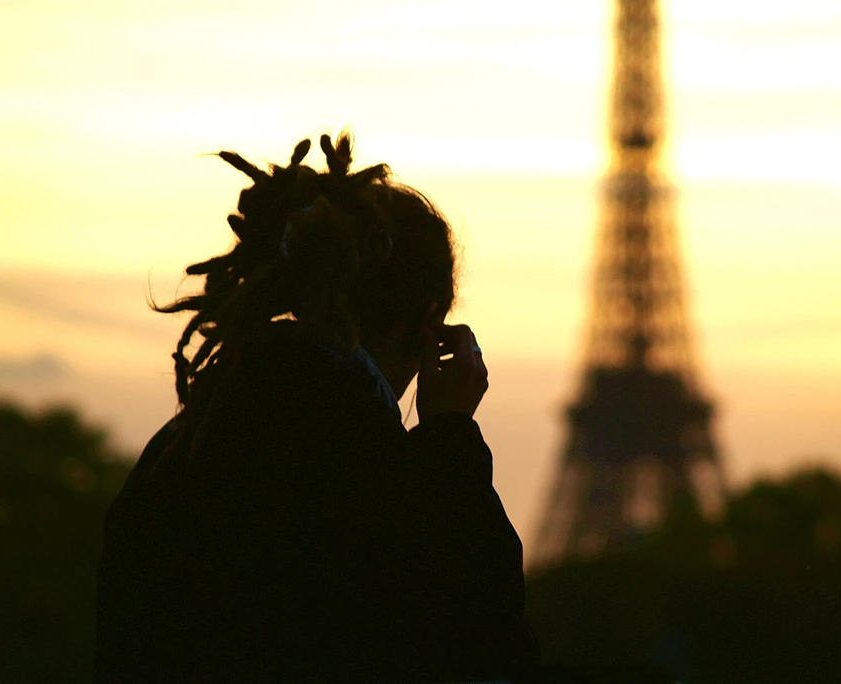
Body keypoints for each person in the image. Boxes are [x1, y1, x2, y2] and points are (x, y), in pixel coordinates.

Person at [94, 133, 539, 683]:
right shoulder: (367, 460)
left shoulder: (186, 438)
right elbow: (486, 640)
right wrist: (450, 434)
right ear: (428, 327)